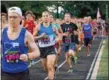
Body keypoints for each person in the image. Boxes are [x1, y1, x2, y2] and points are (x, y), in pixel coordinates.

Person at [1, 6, 40, 80]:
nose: (12, 19)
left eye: (15, 17)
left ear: (20, 18)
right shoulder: (2, 33)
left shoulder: (26, 34)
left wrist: (27, 56)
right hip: (5, 72)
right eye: (10, 17)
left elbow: (37, 52)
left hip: (22, 73)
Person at [34, 11, 56, 80]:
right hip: (42, 49)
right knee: (45, 67)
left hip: (51, 48)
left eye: (47, 16)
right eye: (44, 16)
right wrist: (40, 37)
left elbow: (59, 35)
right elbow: (32, 38)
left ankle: (51, 72)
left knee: (50, 66)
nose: (45, 17)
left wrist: (58, 39)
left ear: (49, 17)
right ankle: (52, 71)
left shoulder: (53, 26)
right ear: (42, 18)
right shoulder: (38, 27)